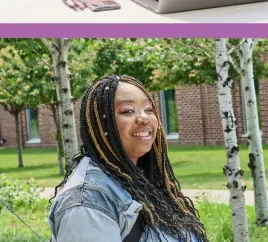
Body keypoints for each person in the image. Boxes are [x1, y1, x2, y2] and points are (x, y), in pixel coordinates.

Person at [48, 75, 208, 242]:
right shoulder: (86, 202)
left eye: (149, 109)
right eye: (128, 111)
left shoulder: (142, 179)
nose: (144, 118)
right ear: (102, 124)